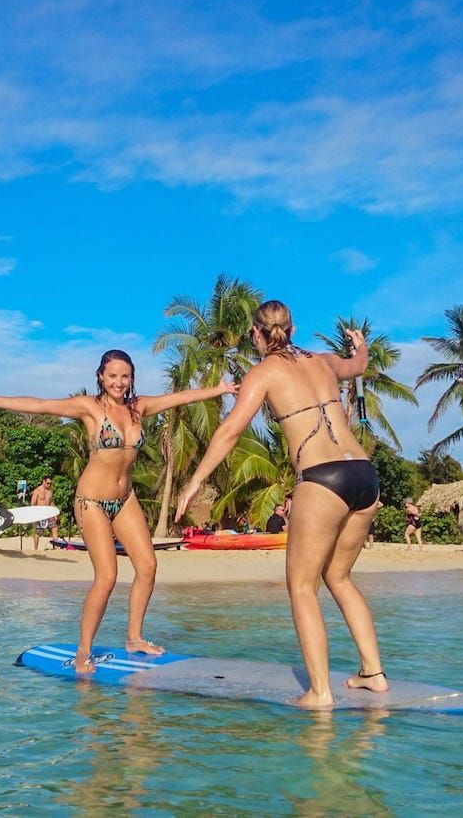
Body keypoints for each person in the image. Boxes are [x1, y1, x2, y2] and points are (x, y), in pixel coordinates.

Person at [0, 350, 235, 673]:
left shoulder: (138, 408)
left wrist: (219, 390)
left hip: (125, 498)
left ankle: (134, 638)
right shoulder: (89, 408)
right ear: (101, 376)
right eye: (113, 375)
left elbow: (179, 397)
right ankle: (83, 650)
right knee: (107, 576)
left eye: (125, 376)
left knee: (147, 566)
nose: (119, 382)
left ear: (132, 378)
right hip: (91, 501)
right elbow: (42, 404)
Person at [175, 300, 385, 708]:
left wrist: (195, 481)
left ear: (256, 333)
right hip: (364, 474)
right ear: (292, 328)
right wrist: (361, 344)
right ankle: (373, 674)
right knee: (338, 577)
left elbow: (232, 429)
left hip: (323, 478)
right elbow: (358, 365)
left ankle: (320, 693)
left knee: (302, 587)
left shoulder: (264, 372)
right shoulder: (324, 361)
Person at [29, 477, 59, 550]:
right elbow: (32, 503)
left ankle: (56, 547)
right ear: (43, 481)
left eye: (50, 483)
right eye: (48, 483)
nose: (49, 485)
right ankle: (36, 549)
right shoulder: (37, 491)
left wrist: (55, 513)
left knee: (54, 528)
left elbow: (51, 502)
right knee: (38, 532)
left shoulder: (50, 491)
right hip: (39, 513)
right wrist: (34, 515)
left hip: (48, 512)